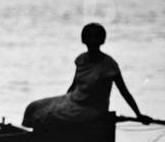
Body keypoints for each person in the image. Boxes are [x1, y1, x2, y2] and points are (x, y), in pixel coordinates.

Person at [22, 23, 152, 129]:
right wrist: (62, 102)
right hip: (73, 101)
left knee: (48, 116)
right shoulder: (81, 60)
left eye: (96, 37)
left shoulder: (109, 65)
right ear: (84, 40)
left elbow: (124, 92)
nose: (93, 41)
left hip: (92, 109)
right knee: (34, 107)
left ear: (102, 40)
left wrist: (138, 115)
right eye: (89, 37)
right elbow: (74, 86)